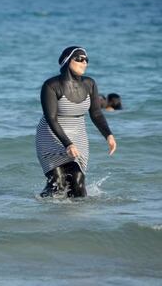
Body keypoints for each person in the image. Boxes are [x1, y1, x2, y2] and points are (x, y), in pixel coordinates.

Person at [36, 46, 116, 198]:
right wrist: (68, 144)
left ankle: (78, 219)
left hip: (78, 136)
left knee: (78, 182)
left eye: (86, 59)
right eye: (79, 58)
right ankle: (43, 212)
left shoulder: (90, 84)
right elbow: (51, 119)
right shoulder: (51, 86)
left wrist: (108, 135)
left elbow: (96, 113)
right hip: (51, 137)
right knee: (57, 184)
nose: (84, 62)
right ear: (67, 61)